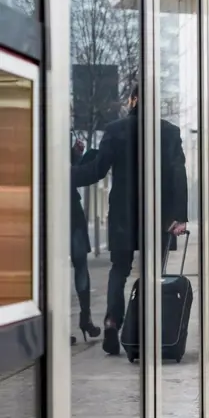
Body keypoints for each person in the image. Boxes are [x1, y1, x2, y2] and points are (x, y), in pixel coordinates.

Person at [71, 84, 188, 355]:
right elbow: (177, 175)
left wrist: (66, 174)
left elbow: (97, 170)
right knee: (152, 274)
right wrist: (179, 217)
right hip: (159, 215)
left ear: (134, 100)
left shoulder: (115, 129)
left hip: (123, 212)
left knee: (119, 270)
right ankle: (144, 327)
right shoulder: (169, 132)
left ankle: (113, 320)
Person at [70, 138, 101, 345]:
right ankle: (85, 317)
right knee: (79, 266)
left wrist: (74, 156)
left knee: (80, 265)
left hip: (67, 211)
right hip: (65, 209)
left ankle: (85, 317)